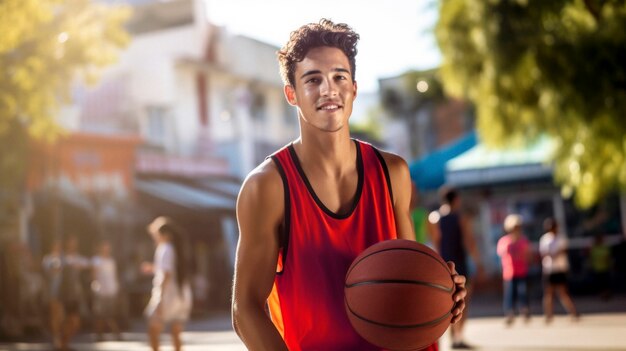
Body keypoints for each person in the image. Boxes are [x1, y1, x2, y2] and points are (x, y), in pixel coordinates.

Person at [231, 18, 467, 351]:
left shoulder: (393, 173)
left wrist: (440, 294)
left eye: (339, 77)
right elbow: (246, 309)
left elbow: (407, 276)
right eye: (313, 79)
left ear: (353, 88)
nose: (328, 89)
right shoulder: (267, 187)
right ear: (291, 94)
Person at [430, 186, 482, 349]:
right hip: (460, 263)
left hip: (443, 265)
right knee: (463, 300)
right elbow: (469, 241)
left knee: (448, 303)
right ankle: (458, 337)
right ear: (456, 199)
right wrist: (478, 262)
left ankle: (453, 337)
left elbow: (436, 243)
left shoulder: (434, 218)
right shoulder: (461, 218)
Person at [143, 216, 193, 351]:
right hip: (181, 294)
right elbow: (170, 269)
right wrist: (153, 268)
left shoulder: (164, 248)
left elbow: (166, 274)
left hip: (167, 295)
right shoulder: (176, 248)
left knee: (153, 329)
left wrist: (159, 299)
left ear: (163, 235)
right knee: (176, 332)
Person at [42, 236, 90, 351]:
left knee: (74, 321)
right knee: (57, 319)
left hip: (70, 294)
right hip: (55, 293)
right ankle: (59, 343)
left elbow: (85, 264)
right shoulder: (49, 259)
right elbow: (53, 269)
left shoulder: (67, 259)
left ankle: (63, 342)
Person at [539, 217, 579, 323]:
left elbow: (563, 251)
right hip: (549, 269)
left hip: (560, 268)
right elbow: (543, 253)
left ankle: (573, 312)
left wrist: (555, 253)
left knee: (563, 292)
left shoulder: (561, 238)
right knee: (548, 293)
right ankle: (548, 315)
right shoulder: (545, 239)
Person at [496, 214, 531, 326]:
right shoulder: (504, 241)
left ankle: (524, 311)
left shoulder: (523, 240)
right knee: (510, 294)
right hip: (509, 272)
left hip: (521, 270)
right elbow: (502, 255)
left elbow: (527, 254)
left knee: (523, 292)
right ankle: (509, 313)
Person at [91, 241, 121, 341]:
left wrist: (116, 287)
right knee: (100, 314)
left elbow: (114, 275)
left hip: (111, 291)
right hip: (101, 291)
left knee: (111, 314)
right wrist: (95, 286)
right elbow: (94, 275)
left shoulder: (111, 260)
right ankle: (99, 335)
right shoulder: (96, 260)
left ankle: (116, 334)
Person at [589, 233, 613, 300]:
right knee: (600, 283)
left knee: (606, 282)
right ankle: (603, 295)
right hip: (597, 268)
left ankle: (606, 295)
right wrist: (591, 266)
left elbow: (608, 257)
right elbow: (591, 258)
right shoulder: (594, 248)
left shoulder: (604, 247)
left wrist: (610, 265)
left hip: (605, 268)